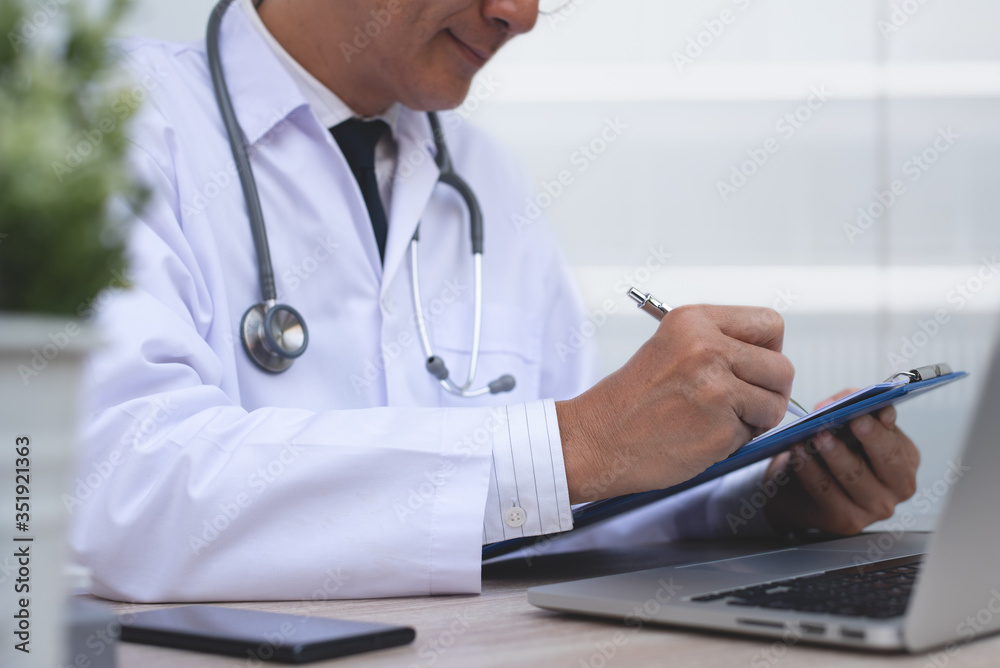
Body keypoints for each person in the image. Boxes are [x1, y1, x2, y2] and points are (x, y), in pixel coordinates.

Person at [69, 0, 919, 602]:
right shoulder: (107, 122)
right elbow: (126, 493)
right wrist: (577, 438)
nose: (521, 12)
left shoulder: (482, 179)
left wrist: (760, 502)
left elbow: (565, 513)